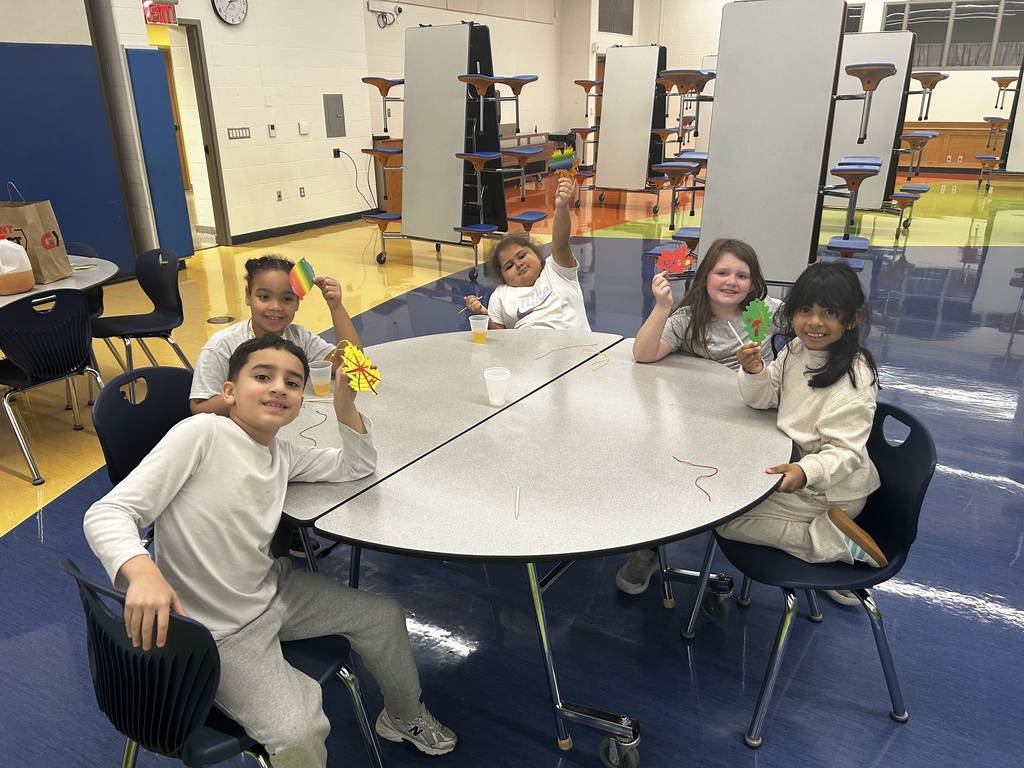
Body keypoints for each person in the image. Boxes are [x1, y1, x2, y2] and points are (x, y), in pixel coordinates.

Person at [83, 335, 457, 767]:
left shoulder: (281, 452)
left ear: (300, 402)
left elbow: (356, 466)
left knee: (383, 616)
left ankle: (403, 716)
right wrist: (142, 571)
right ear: (229, 392)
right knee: (298, 731)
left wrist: (344, 407)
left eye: (292, 383)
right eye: (263, 376)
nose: (279, 387)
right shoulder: (203, 433)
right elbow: (108, 512)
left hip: (271, 589)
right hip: (216, 630)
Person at [616, 237, 783, 595]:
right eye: (721, 272)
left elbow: (809, 327)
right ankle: (649, 546)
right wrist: (662, 306)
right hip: (698, 425)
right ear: (705, 276)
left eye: (741, 275)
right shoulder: (690, 319)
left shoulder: (765, 311)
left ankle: (803, 544)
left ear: (753, 284)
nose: (730, 281)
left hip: (755, 422)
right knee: (660, 471)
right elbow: (643, 354)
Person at [718, 260, 885, 607]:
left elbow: (845, 453)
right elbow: (762, 399)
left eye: (829, 312)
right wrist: (754, 372)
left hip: (830, 491)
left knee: (726, 522)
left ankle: (831, 542)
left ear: (852, 319)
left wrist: (806, 471)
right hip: (794, 468)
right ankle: (822, 539)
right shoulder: (796, 349)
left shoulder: (854, 379)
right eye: (805, 310)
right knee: (725, 492)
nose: (814, 322)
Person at [189, 254, 361, 558]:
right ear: (247, 297)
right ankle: (274, 531)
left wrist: (336, 306)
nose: (275, 307)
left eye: (286, 299)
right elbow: (199, 408)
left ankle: (287, 525)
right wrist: (251, 397)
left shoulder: (298, 339)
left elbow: (352, 363)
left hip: (283, 433)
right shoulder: (223, 346)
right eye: (264, 296)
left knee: (341, 461)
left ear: (297, 303)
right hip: (234, 445)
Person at [463, 176, 590, 330]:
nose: (518, 264)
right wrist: (484, 314)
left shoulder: (556, 271)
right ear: (502, 276)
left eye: (522, 256)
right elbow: (500, 340)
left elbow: (561, 243)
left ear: (537, 255)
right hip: (528, 351)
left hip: (576, 347)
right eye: (509, 266)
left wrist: (561, 207)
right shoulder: (501, 295)